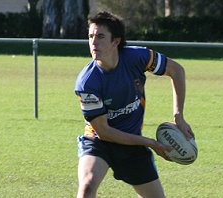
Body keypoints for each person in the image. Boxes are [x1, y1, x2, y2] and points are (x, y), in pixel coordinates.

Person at [74, 11, 194, 198]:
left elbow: (176, 70)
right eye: (90, 36)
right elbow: (104, 132)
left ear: (116, 41)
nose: (93, 42)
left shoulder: (138, 57)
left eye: (100, 36)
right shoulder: (87, 82)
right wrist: (150, 143)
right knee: (87, 185)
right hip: (99, 142)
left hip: (131, 143)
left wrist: (179, 116)